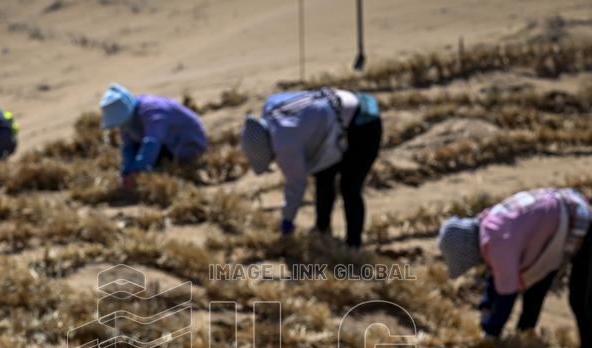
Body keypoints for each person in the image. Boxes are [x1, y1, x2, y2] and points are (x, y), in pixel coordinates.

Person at [437, 188, 592, 348]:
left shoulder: (499, 244)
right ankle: (524, 338)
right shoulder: (489, 225)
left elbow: (505, 296)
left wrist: (491, 332)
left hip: (585, 226)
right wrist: (486, 309)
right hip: (552, 230)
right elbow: (496, 278)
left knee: (580, 300)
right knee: (535, 289)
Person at [239, 87, 382, 248]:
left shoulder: (284, 144)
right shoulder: (270, 107)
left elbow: (296, 185)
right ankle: (322, 229)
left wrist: (287, 221)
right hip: (342, 107)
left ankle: (353, 245)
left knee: (349, 187)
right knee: (323, 174)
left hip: (364, 123)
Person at [98, 83, 208, 189]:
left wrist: (138, 171)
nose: (121, 127)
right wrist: (127, 171)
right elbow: (129, 147)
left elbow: (152, 142)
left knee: (159, 168)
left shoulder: (152, 110)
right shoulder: (127, 123)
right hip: (165, 146)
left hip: (188, 143)